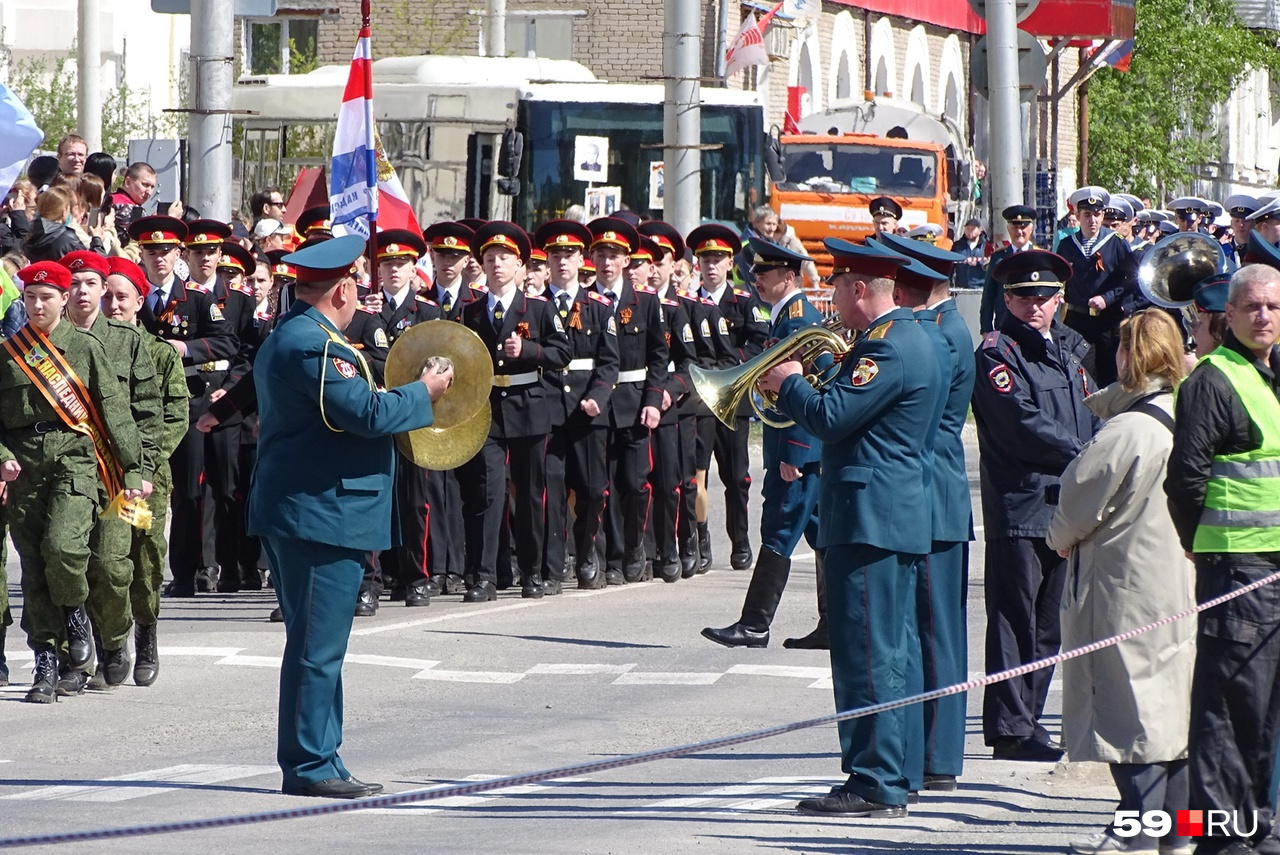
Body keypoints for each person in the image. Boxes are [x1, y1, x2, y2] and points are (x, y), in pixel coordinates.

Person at [248, 235, 452, 798]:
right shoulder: (315, 345)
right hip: (319, 511)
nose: (360, 297)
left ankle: (323, 755)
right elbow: (362, 412)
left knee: (320, 645)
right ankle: (310, 763)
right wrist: (425, 390)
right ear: (342, 289)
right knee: (317, 648)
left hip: (318, 508)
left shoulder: (304, 336)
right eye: (356, 287)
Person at [757, 238, 943, 818]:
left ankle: (874, 780)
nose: (831, 298)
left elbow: (831, 417)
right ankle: (897, 770)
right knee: (892, 651)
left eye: (837, 287)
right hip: (885, 514)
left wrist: (789, 381)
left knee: (868, 653)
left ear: (860, 290)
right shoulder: (899, 340)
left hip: (870, 518)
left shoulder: (885, 350)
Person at [1045, 309, 1194, 855]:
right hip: (1179, 582)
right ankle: (1177, 836)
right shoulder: (1189, 412)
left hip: (1123, 587)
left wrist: (1060, 539)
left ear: (1129, 355)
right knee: (1172, 720)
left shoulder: (1128, 429)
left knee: (1128, 718)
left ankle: (1131, 833)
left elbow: (1076, 504)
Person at [1166, 263, 1280, 854]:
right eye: (1252, 307)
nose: (1264, 316)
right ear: (1227, 316)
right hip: (1239, 567)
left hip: (1271, 565)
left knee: (1263, 710)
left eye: (1273, 307)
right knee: (1229, 708)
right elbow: (1185, 478)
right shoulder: (1214, 379)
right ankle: (1219, 833)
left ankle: (1257, 824)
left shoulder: (1269, 374)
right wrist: (1197, 543)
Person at [972, 249, 1099, 761]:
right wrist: (1087, 454)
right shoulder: (997, 352)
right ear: (1008, 298)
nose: (1034, 305)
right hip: (1021, 506)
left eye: (1044, 297)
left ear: (1059, 300)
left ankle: (1031, 720)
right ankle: (1009, 728)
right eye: (1024, 296)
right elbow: (1020, 422)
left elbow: (1090, 412)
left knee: (1049, 624)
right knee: (1013, 620)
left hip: (1064, 506)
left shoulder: (1068, 350)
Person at [0, 261, 144, 703]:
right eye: (30, 298)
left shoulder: (83, 347)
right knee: (34, 566)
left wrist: (133, 469)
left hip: (76, 459)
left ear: (64, 300)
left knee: (64, 548)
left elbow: (113, 409)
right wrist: (3, 457)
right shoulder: (8, 353)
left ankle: (77, 616)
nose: (38, 305)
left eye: (47, 297)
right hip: (24, 467)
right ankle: (45, 662)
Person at [873, 230, 976, 793]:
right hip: (935, 489)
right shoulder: (946, 327)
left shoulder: (939, 334)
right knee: (933, 627)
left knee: (931, 629)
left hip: (931, 491)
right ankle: (936, 752)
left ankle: (935, 753)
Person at [702, 236, 824, 647]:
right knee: (822, 533)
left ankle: (755, 624)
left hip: (798, 450)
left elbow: (807, 387)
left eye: (764, 273)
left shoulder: (798, 320)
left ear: (788, 276)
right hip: (795, 448)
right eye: (754, 272)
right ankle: (834, 624)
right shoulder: (783, 316)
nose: (755, 279)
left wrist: (795, 451)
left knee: (778, 528)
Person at [59, 250, 163, 694]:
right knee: (65, 561)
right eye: (75, 283)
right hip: (69, 474)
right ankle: (80, 658)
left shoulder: (131, 342)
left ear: (103, 289)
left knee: (123, 565)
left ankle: (131, 639)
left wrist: (144, 469)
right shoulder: (46, 343)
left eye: (90, 283)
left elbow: (150, 412)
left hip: (124, 480)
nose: (82, 292)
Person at [457, 222, 570, 601]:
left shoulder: (538, 308)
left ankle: (532, 572)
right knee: (487, 494)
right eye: (490, 259)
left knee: (529, 493)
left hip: (528, 409)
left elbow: (562, 354)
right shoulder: (470, 311)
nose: (497, 264)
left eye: (505, 258)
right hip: (487, 410)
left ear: (521, 266)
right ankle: (484, 575)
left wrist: (531, 352)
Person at [102, 256, 189, 686]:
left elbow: (176, 416)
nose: (113, 305)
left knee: (144, 561)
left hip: (144, 483)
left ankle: (147, 635)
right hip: (99, 476)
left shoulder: (158, 353)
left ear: (140, 301)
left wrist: (146, 467)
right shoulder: (87, 348)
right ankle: (110, 645)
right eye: (107, 296)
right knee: (105, 563)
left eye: (122, 297)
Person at [534, 219, 618, 591]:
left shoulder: (598, 307)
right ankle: (554, 566)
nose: (562, 262)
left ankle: (586, 553)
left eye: (568, 254)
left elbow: (609, 362)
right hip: (548, 412)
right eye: (555, 255)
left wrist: (597, 397)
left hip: (587, 414)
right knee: (551, 490)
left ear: (581, 259)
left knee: (591, 490)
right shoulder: (534, 307)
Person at [588, 217, 668, 584]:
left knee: (634, 484)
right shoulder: (582, 300)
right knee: (599, 485)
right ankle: (610, 558)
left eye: (615, 255)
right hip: (596, 406)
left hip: (635, 404)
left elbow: (658, 357)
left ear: (627, 260)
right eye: (601, 254)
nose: (607, 262)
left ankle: (636, 546)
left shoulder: (646, 302)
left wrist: (653, 399)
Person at [687, 223, 766, 572]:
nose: (712, 266)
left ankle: (740, 541)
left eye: (718, 259)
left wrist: (733, 364)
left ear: (730, 262)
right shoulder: (689, 303)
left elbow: (759, 342)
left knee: (737, 477)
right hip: (701, 402)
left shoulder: (745, 301)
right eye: (705, 259)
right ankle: (700, 540)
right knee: (697, 475)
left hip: (734, 402)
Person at [1056, 186, 1137, 387]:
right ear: (1077, 215)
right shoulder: (1067, 245)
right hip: (1077, 320)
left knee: (1109, 376)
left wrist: (1107, 298)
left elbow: (1130, 278)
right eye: (1087, 215)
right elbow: (1058, 277)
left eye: (1097, 214)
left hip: (1108, 321)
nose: (1092, 220)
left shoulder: (1115, 242)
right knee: (1079, 376)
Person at [980, 205, 1039, 333]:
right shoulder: (998, 257)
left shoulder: (1039, 256)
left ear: (1031, 228)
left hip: (1030, 326)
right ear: (1008, 228)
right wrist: (986, 328)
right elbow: (989, 295)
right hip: (1004, 325)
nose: (1019, 232)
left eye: (1023, 227)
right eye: (1015, 227)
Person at [951, 218, 987, 290]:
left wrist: (979, 262)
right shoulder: (957, 246)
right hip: (960, 288)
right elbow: (951, 266)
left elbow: (991, 267)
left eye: (973, 229)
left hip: (980, 288)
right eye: (968, 228)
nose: (970, 231)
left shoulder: (986, 247)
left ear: (980, 230)